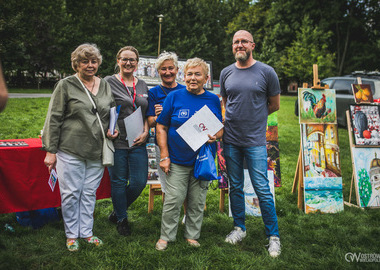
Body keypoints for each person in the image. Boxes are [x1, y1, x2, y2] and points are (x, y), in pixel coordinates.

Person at [42, 43, 119, 252]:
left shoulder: (104, 84)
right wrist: (51, 150)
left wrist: (115, 130)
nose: (90, 65)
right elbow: (54, 118)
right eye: (85, 61)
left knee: (89, 193)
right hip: (70, 148)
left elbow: (111, 112)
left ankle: (86, 232)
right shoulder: (65, 84)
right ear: (76, 64)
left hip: (97, 149)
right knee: (71, 193)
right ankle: (71, 235)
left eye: (93, 61)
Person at [220, 30, 281, 258]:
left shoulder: (266, 72)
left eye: (244, 41)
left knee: (262, 189)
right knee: (235, 186)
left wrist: (254, 117)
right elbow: (226, 103)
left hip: (255, 140)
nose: (239, 45)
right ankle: (239, 228)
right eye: (236, 42)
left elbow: (274, 104)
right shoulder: (226, 72)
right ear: (232, 46)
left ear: (252, 45)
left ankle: (273, 236)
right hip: (231, 139)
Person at [155, 57, 223, 251]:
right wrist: (164, 156)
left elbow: (219, 129)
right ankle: (166, 236)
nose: (192, 78)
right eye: (189, 74)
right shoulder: (174, 97)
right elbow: (161, 126)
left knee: (197, 200)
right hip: (176, 159)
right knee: (173, 199)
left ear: (206, 78)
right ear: (184, 76)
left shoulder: (212, 99)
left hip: (202, 160)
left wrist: (214, 137)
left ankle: (192, 235)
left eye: (197, 74)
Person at [104, 46, 149, 236]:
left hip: (138, 140)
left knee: (139, 182)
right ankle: (122, 218)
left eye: (132, 60)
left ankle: (117, 210)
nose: (128, 63)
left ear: (137, 63)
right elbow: (101, 108)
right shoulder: (107, 82)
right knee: (119, 181)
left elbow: (145, 112)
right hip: (118, 141)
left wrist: (146, 131)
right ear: (118, 61)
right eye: (124, 59)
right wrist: (107, 128)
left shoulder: (143, 85)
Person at [147, 51, 186, 193]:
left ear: (177, 70)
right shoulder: (153, 93)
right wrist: (159, 117)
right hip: (162, 145)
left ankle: (187, 215)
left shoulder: (185, 90)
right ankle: (169, 214)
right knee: (167, 186)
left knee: (185, 184)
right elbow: (150, 121)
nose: (167, 72)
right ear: (158, 71)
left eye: (171, 68)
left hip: (183, 145)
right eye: (163, 69)